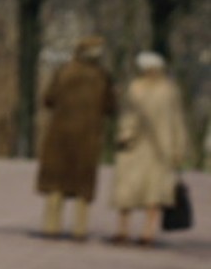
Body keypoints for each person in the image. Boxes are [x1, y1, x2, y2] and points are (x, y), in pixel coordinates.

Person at [34, 35, 116, 240]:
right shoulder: (102, 76)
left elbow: (48, 99)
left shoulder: (63, 72)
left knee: (55, 183)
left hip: (59, 136)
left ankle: (51, 226)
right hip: (88, 137)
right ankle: (80, 229)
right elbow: (111, 107)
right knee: (82, 187)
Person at [111, 50, 190, 246]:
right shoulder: (166, 89)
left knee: (141, 191)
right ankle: (143, 232)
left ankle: (131, 231)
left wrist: (125, 134)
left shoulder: (141, 89)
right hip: (153, 148)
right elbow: (177, 120)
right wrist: (178, 147)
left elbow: (130, 117)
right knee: (143, 192)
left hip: (144, 146)